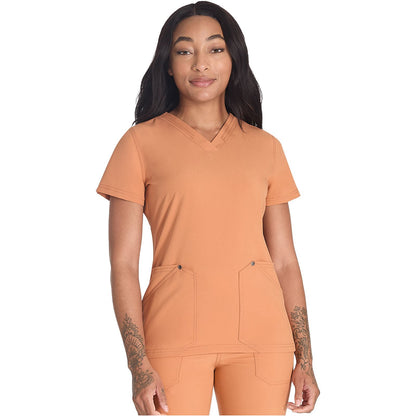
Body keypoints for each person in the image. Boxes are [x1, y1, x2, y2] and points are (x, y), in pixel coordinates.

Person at [96, 1, 320, 414]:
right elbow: (123, 264)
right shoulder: (139, 144)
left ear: (234, 59)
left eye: (215, 49)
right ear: (167, 64)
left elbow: (285, 261)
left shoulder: (266, 148)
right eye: (185, 51)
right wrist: (138, 365)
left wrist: (305, 360)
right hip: (172, 337)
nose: (201, 64)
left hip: (263, 340)